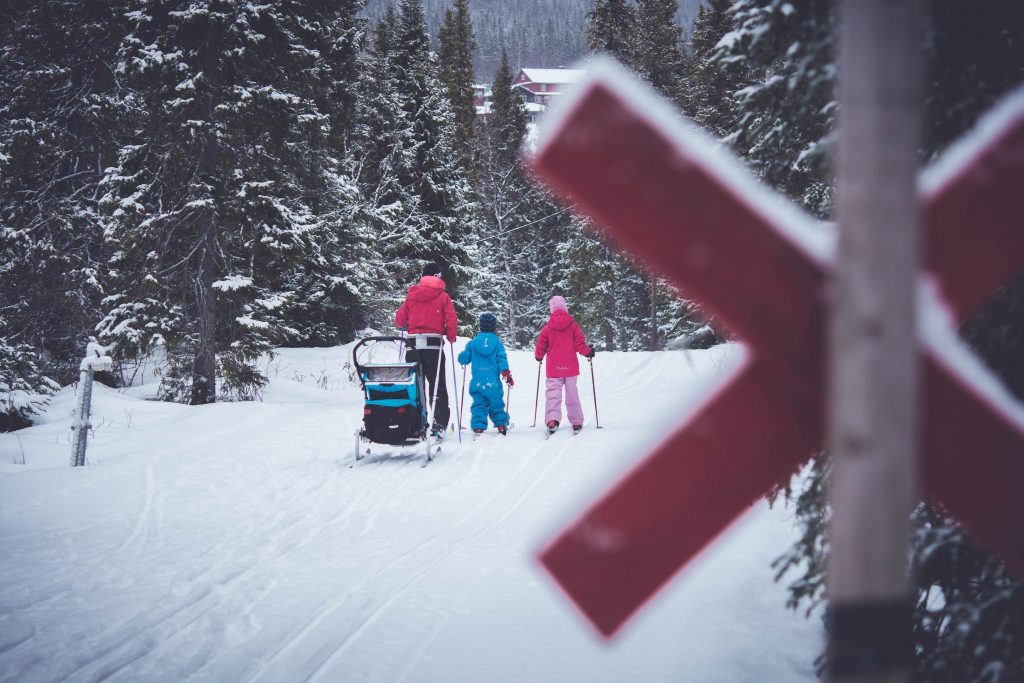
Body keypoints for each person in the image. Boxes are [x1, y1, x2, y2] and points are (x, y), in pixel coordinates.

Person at [395, 262, 458, 437]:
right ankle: (438, 424)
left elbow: (400, 321)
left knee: (415, 384)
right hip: (433, 344)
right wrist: (451, 336)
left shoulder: (411, 295)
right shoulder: (443, 297)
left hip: (413, 345)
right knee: (437, 384)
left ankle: (415, 423)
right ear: (438, 277)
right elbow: (451, 319)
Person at [534, 295, 593, 434]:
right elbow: (580, 344)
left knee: (553, 394)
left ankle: (552, 420)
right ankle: (577, 422)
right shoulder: (573, 326)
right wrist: (588, 352)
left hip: (553, 368)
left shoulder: (548, 328)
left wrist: (539, 356)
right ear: (565, 308)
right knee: (572, 394)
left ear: (552, 310)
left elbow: (541, 343)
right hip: (570, 367)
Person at [457, 313, 513, 435]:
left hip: (477, 382)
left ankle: (478, 427)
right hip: (493, 383)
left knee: (479, 405)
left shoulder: (472, 343)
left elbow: (464, 358)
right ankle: (501, 425)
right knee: (496, 404)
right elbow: (501, 359)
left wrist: (461, 357)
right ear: (494, 327)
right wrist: (506, 372)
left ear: (480, 326)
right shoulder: (497, 343)